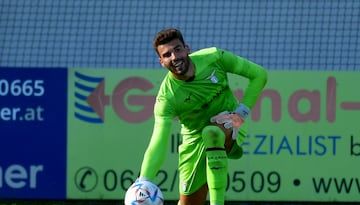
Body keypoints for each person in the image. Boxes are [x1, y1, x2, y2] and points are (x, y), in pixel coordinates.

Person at [135, 28, 267, 205]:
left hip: (230, 121)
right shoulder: (167, 98)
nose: (174, 57)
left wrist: (241, 113)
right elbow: (158, 141)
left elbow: (259, 75)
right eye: (167, 55)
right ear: (161, 62)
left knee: (212, 132)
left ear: (187, 48)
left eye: (177, 49)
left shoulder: (214, 57)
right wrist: (144, 180)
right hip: (194, 140)